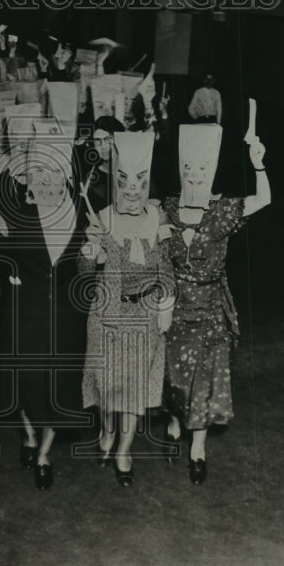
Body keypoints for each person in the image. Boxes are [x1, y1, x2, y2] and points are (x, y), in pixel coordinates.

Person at [0, 114, 88, 490]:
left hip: (67, 317)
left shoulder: (84, 214)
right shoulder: (18, 215)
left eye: (54, 172)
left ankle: (44, 450)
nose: (46, 180)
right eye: (38, 172)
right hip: (24, 313)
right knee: (25, 382)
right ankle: (27, 433)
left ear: (66, 176)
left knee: (58, 385)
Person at [163, 125, 270, 485]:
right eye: (189, 168)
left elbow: (263, 200)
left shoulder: (222, 210)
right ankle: (175, 420)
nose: (195, 175)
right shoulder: (167, 208)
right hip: (175, 307)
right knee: (175, 374)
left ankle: (198, 447)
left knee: (206, 377)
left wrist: (258, 165)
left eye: (202, 169)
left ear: (211, 172)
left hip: (210, 307)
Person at [80, 131, 174, 487]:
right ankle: (105, 429)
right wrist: (90, 254)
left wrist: (167, 299)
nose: (133, 190)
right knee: (107, 387)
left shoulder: (159, 217)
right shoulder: (102, 217)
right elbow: (85, 273)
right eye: (125, 182)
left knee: (133, 389)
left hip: (144, 316)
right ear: (116, 181)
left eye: (140, 182)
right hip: (106, 314)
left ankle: (123, 449)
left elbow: (168, 266)